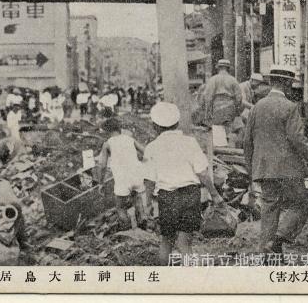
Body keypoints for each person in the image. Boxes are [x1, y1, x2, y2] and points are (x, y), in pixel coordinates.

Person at [244, 66, 308, 255]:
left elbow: (247, 142)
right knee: (302, 202)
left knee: (270, 208)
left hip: (264, 169)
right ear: (288, 83)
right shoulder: (290, 107)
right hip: (288, 169)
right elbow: (298, 139)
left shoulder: (257, 107)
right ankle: (279, 238)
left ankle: (267, 252)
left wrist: (252, 169)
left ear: (272, 82)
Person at [144, 102, 224, 265]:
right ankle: (192, 281)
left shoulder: (152, 148)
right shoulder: (190, 143)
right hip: (190, 195)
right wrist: (215, 195)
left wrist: (147, 204)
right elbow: (202, 173)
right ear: (177, 123)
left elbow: (150, 180)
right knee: (184, 243)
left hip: (167, 197)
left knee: (166, 241)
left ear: (154, 126)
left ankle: (162, 281)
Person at [96, 117, 148, 230]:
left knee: (120, 207)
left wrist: (101, 182)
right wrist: (142, 162)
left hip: (122, 179)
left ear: (108, 131)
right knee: (137, 200)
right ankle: (143, 222)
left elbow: (102, 166)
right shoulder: (129, 138)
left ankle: (127, 230)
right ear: (119, 128)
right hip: (136, 175)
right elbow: (145, 151)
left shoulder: (107, 144)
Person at [201, 59, 243, 130]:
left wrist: (207, 112)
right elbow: (239, 98)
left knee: (218, 132)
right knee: (228, 131)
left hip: (217, 108)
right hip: (230, 108)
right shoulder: (233, 80)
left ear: (218, 68)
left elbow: (208, 97)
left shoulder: (213, 79)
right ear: (228, 68)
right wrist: (237, 111)